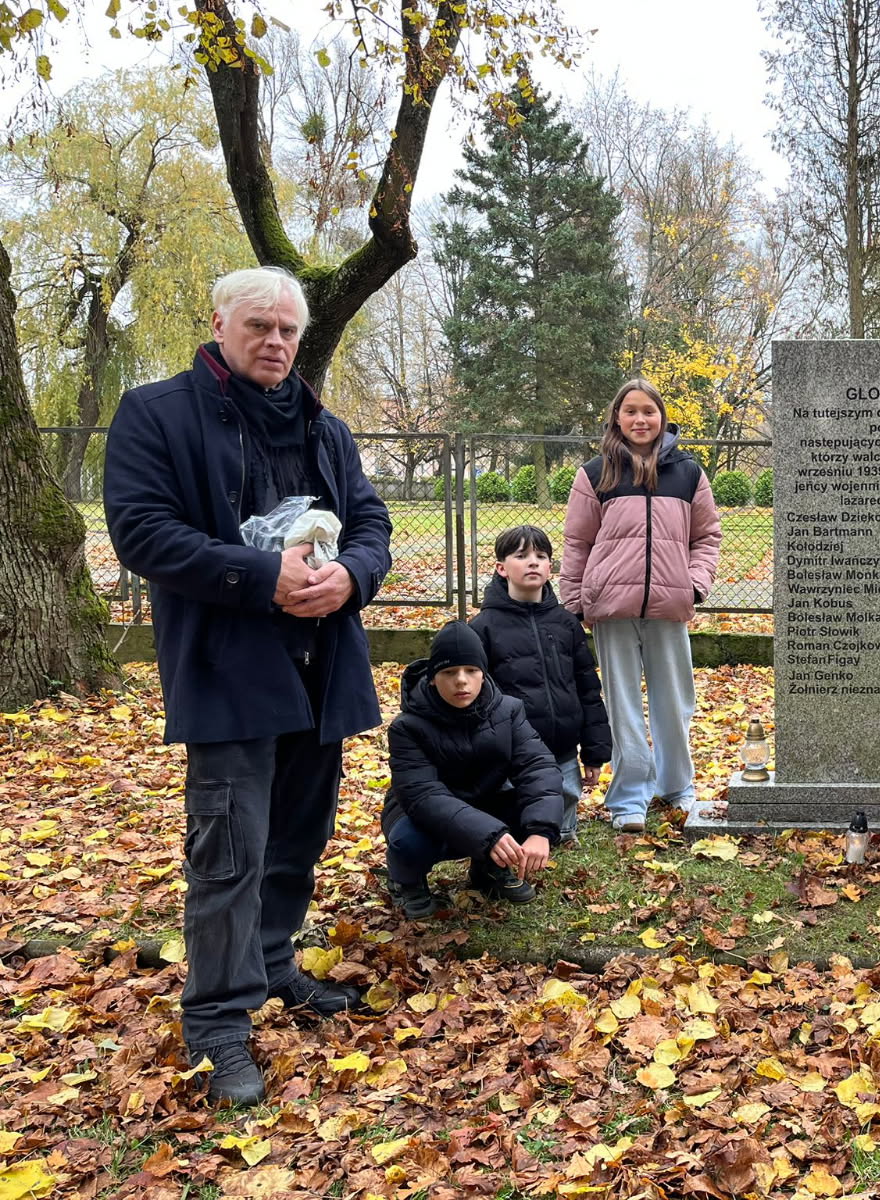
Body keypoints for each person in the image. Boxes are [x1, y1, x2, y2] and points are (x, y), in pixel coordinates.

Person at [103, 265, 393, 1107]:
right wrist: (260, 576)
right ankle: (219, 1024)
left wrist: (354, 580)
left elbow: (370, 523)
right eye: (259, 326)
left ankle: (271, 967)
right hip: (230, 671)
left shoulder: (323, 425)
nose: (275, 342)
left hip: (322, 669)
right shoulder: (157, 413)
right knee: (227, 852)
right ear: (220, 322)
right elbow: (144, 533)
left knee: (298, 838)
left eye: (288, 331)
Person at [560, 379, 721, 833]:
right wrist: (574, 600)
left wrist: (694, 586)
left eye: (648, 411)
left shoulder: (689, 473)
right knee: (624, 705)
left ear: (662, 417)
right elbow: (578, 542)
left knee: (674, 702)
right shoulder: (595, 474)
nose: (640, 420)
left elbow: (706, 537)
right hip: (611, 607)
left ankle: (676, 787)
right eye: (630, 411)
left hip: (670, 606)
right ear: (617, 418)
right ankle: (630, 796)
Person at [382, 622, 564, 918]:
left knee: (526, 804)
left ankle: (490, 870)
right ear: (431, 679)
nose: (461, 681)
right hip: (420, 814)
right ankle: (407, 882)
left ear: (484, 673)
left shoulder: (509, 711)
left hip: (486, 800)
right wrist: (489, 835)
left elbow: (537, 766)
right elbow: (423, 795)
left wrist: (541, 830)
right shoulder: (407, 727)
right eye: (449, 673)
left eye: (471, 670)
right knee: (408, 840)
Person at [469, 524, 611, 845]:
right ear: (501, 568)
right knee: (514, 799)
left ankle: (562, 832)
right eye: (521, 556)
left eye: (541, 556)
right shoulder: (483, 628)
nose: (532, 562)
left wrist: (594, 752)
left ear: (550, 568)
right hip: (511, 749)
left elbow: (588, 689)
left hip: (563, 745)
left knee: (565, 793)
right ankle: (515, 834)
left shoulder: (565, 624)